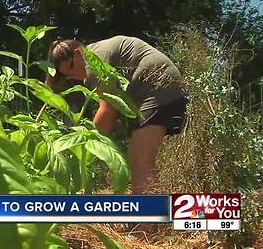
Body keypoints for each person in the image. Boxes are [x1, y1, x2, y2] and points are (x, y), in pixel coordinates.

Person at [46, 36, 187, 195]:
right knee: (138, 157)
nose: (74, 75)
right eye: (68, 75)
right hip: (161, 89)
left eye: (72, 66)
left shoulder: (94, 60)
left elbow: (108, 111)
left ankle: (145, 218)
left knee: (141, 160)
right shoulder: (97, 53)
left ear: (78, 53)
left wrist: (84, 151)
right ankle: (143, 216)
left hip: (156, 87)